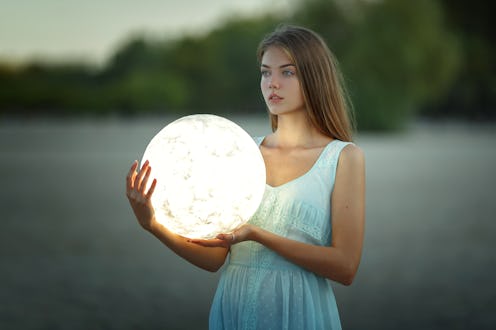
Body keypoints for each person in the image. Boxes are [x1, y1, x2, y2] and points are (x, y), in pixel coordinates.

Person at [126, 24, 365, 330]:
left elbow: (346, 267)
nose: (273, 84)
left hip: (299, 312)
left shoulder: (343, 157)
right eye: (266, 72)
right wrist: (152, 225)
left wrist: (257, 234)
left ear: (314, 77)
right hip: (234, 307)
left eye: (287, 72)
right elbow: (213, 261)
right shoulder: (239, 155)